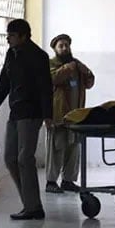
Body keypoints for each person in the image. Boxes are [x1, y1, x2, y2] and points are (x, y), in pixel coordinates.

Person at [0, 19, 53, 220]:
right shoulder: (11, 54)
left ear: (23, 36)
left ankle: (33, 207)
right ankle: (30, 204)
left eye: (11, 35)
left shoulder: (38, 56)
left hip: (32, 113)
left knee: (24, 158)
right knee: (10, 159)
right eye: (8, 35)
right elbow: (3, 84)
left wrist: (48, 115)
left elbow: (46, 88)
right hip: (16, 112)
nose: (8, 39)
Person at [46, 34, 95, 194]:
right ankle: (51, 182)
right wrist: (68, 68)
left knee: (73, 149)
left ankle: (68, 180)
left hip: (76, 116)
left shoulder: (76, 64)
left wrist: (86, 72)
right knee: (56, 148)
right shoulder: (51, 64)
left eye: (67, 45)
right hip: (58, 116)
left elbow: (89, 83)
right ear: (55, 49)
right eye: (61, 46)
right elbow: (52, 79)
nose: (65, 48)